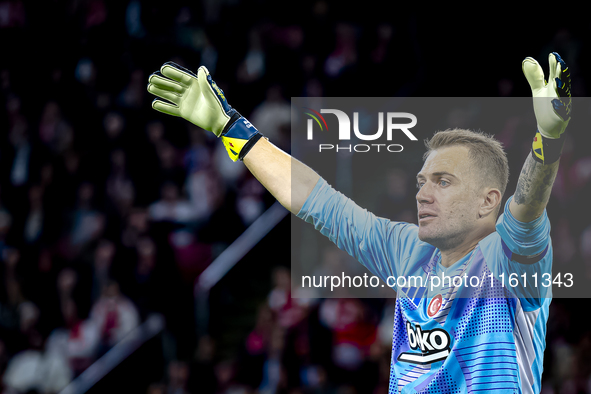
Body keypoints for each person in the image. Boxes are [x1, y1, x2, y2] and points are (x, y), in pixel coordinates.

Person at [147, 53, 572, 393]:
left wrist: (546, 143)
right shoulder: (409, 250)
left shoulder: (509, 261)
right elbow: (316, 200)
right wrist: (229, 127)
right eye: (422, 181)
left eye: (443, 182)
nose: (423, 193)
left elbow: (527, 207)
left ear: (487, 201)